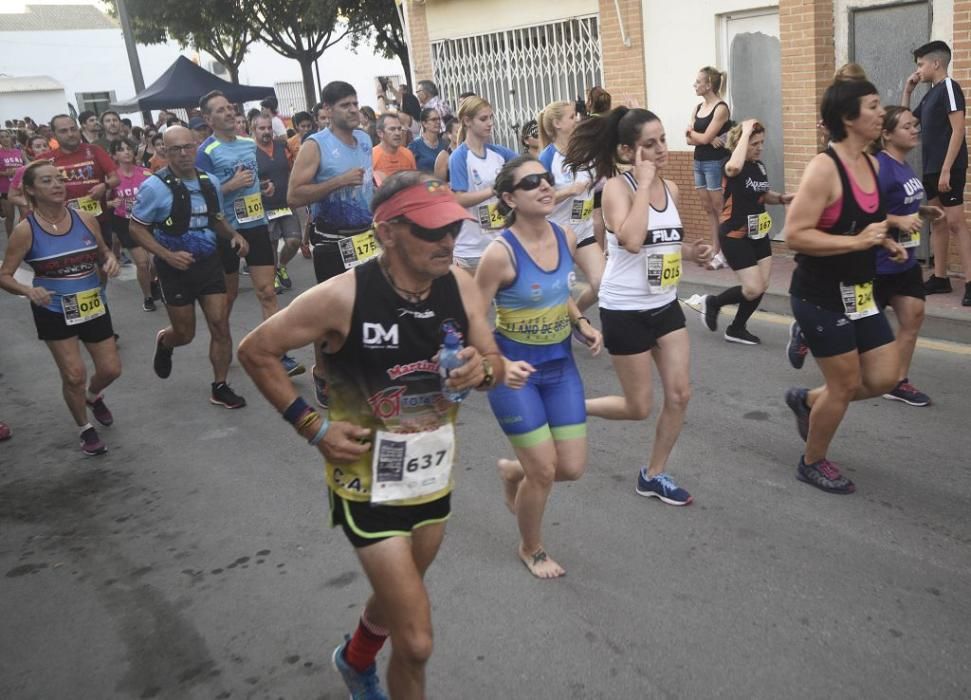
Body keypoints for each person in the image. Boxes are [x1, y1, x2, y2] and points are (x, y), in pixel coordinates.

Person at [238, 172, 509, 700]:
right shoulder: (342, 296)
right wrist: (311, 426)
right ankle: (371, 664)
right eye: (430, 231)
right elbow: (256, 350)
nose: (447, 242)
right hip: (366, 484)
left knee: (395, 599)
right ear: (387, 232)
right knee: (418, 641)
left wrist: (483, 370)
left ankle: (355, 657)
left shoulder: (460, 281)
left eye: (451, 228)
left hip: (432, 476)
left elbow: (492, 357)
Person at [565, 107, 713, 506]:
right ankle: (571, 408)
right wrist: (644, 186)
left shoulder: (673, 189)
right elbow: (631, 239)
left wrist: (690, 252)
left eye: (663, 139)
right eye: (650, 144)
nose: (662, 149)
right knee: (637, 407)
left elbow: (660, 242)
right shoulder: (618, 187)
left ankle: (654, 474)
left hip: (664, 304)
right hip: (625, 308)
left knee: (680, 395)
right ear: (630, 151)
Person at [476, 156, 602, 578]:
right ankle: (531, 547)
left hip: (561, 367)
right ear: (510, 198)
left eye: (547, 178)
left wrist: (580, 321)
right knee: (545, 471)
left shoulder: (564, 235)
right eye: (532, 182)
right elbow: (474, 320)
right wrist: (496, 364)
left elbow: (556, 290)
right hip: (516, 374)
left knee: (570, 467)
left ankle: (514, 471)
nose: (546, 185)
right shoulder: (499, 254)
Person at [784, 78, 906, 494]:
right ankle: (812, 461)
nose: (881, 113)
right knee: (845, 384)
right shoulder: (824, 168)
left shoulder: (872, 163)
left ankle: (807, 401)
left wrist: (885, 239)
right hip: (819, 296)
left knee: (886, 376)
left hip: (860, 292)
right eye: (872, 106)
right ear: (848, 117)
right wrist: (858, 242)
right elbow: (795, 235)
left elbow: (865, 222)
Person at [0, 161, 121, 456]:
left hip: (92, 304)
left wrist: (110, 261)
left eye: (59, 179)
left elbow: (103, 252)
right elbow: (4, 275)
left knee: (111, 369)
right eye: (47, 181)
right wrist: (29, 290)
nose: (57, 185)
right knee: (73, 375)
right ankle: (85, 429)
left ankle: (93, 396)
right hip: (53, 309)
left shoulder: (84, 218)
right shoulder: (25, 231)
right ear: (30, 189)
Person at [128, 126, 251, 408]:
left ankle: (220, 386)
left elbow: (215, 217)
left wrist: (233, 235)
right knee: (185, 333)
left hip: (208, 263)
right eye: (175, 149)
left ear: (196, 146)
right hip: (173, 269)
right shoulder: (154, 187)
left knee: (220, 324)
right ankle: (166, 341)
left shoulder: (210, 182)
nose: (183, 154)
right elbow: (136, 228)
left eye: (187, 147)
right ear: (165, 151)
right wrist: (166, 256)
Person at [195, 91, 300, 374]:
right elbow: (201, 198)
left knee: (267, 292)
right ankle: (222, 343)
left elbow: (252, 182)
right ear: (208, 118)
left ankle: (278, 354)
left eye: (230, 108)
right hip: (225, 231)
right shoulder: (205, 152)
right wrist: (229, 185)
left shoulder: (247, 144)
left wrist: (264, 188)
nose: (229, 113)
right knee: (226, 300)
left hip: (255, 224)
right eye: (220, 110)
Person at [288, 80, 375, 408]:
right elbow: (294, 195)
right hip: (331, 241)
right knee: (330, 312)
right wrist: (338, 181)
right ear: (327, 110)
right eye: (345, 106)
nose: (353, 110)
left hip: (365, 238)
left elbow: (367, 185)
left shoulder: (365, 140)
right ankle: (323, 371)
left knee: (366, 307)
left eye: (355, 104)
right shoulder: (315, 145)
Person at [698, 119, 794, 344]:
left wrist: (780, 198)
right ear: (741, 142)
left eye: (761, 143)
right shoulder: (729, 163)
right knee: (753, 288)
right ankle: (714, 302)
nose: (759, 147)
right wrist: (745, 131)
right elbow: (734, 168)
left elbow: (762, 194)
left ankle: (736, 328)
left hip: (759, 233)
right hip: (735, 235)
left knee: (762, 285)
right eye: (754, 143)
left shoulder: (759, 166)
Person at [874, 106, 944, 406]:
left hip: (905, 263)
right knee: (852, 335)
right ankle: (807, 331)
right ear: (886, 135)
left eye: (915, 124)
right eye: (907, 126)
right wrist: (897, 221)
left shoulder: (903, 165)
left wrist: (921, 211)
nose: (914, 130)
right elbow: (864, 214)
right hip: (875, 265)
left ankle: (897, 381)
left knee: (913, 317)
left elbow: (901, 204)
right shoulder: (880, 167)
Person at [903, 40, 971, 305]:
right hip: (931, 168)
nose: (918, 70)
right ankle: (940, 278)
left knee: (956, 222)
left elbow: (959, 130)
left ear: (936, 63)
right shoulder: (929, 94)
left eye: (921, 64)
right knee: (938, 222)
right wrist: (908, 91)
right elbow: (906, 122)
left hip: (948, 169)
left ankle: (969, 282)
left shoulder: (949, 88)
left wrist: (945, 170)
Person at [537, 100, 604, 311]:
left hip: (584, 232)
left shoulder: (584, 152)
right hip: (557, 235)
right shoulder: (547, 157)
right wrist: (569, 191)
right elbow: (538, 199)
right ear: (557, 123)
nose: (577, 119)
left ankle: (574, 319)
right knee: (557, 290)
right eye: (571, 116)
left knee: (603, 284)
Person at [448, 96, 518, 273]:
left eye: (491, 118)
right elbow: (458, 199)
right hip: (472, 249)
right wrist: (494, 190)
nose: (489, 123)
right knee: (476, 301)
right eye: (483, 119)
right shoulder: (459, 156)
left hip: (500, 243)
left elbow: (525, 166)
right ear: (467, 121)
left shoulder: (499, 153)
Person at [252, 114, 304, 312]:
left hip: (286, 202)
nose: (266, 132)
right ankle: (272, 276)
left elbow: (293, 169)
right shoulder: (250, 151)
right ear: (253, 130)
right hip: (266, 206)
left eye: (268, 128)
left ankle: (282, 266)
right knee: (271, 244)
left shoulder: (283, 146)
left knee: (294, 241)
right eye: (261, 128)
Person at [49, 115, 119, 253]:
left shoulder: (94, 150)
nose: (70, 134)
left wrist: (104, 186)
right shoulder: (46, 159)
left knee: (103, 262)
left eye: (73, 129)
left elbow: (116, 178)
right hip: (64, 222)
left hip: (98, 219)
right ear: (54, 134)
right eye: (63, 131)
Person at [686, 67, 732, 269]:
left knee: (719, 207)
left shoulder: (720, 108)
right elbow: (688, 138)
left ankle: (725, 251)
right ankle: (715, 247)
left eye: (698, 82)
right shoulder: (697, 108)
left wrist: (704, 138)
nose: (695, 85)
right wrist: (707, 139)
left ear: (708, 85)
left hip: (715, 162)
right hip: (699, 161)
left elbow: (697, 136)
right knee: (707, 208)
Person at [106, 138, 156, 311]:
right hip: (125, 222)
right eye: (121, 149)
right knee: (142, 263)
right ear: (114, 155)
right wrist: (110, 204)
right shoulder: (111, 178)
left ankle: (154, 282)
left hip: (148, 220)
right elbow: (99, 202)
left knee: (156, 261)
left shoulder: (146, 173)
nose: (126, 152)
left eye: (128, 148)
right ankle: (148, 297)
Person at [372, 113, 417, 184]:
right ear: (380, 133)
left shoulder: (408, 154)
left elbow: (414, 182)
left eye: (399, 129)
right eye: (392, 129)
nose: (398, 133)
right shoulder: (371, 156)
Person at [0, 128, 25, 237]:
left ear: (11, 138)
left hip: (20, 187)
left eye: (7, 136)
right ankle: (11, 239)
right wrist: (6, 173)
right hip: (5, 188)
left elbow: (26, 164)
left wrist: (21, 169)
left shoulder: (18, 152)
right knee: (10, 217)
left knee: (25, 215)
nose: (5, 139)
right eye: (2, 137)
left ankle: (25, 237)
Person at [408, 109, 446, 173]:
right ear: (424, 123)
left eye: (439, 119)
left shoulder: (445, 144)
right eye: (434, 119)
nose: (438, 122)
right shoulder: (415, 145)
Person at [433, 117, 459, 182]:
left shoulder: (471, 151)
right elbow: (439, 186)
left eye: (463, 131)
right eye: (457, 132)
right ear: (449, 134)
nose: (461, 134)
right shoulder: (444, 156)